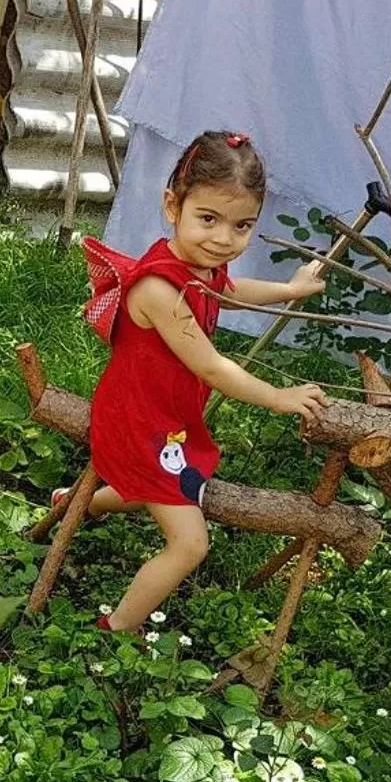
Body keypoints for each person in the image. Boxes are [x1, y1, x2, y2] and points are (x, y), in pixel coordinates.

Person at [62, 130, 331, 633]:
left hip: (164, 418)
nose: (224, 239)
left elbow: (230, 291)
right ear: (172, 206)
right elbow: (210, 366)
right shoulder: (159, 288)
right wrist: (278, 397)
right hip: (135, 423)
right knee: (190, 544)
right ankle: (117, 628)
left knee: (168, 482)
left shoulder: (200, 266)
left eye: (242, 225)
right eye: (208, 219)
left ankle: (74, 504)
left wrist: (289, 289)